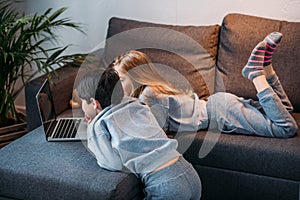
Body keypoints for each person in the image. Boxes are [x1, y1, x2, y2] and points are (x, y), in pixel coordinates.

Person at [108, 32, 298, 138]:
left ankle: (256, 74)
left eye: (122, 79)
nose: (118, 85)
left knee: (285, 128)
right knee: (284, 112)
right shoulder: (152, 89)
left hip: (221, 113)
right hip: (220, 105)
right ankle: (266, 67)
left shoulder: (148, 96)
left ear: (137, 77)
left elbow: (156, 135)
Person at [75, 68, 202, 199]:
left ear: (94, 103)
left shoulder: (99, 124)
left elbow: (112, 164)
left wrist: (91, 128)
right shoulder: (137, 104)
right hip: (188, 171)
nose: (82, 107)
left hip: (164, 184)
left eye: (83, 101)